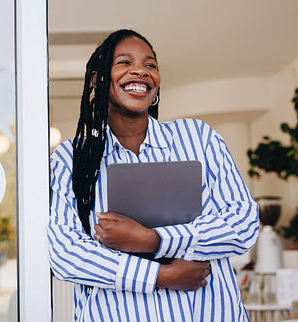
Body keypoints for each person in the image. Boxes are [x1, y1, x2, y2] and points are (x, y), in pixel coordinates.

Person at [48, 29, 259, 321]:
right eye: (124, 62)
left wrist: (152, 240)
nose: (140, 71)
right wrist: (161, 275)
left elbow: (242, 222)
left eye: (150, 65)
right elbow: (66, 254)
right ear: (97, 79)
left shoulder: (198, 138)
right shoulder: (72, 158)